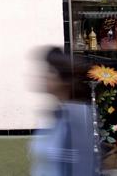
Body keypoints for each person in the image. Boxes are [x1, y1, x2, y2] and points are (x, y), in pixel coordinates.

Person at [31, 46, 99, 176]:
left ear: (64, 80)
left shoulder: (77, 117)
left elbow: (82, 169)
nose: (44, 75)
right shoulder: (52, 116)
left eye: (50, 71)